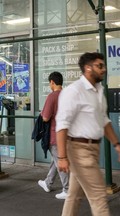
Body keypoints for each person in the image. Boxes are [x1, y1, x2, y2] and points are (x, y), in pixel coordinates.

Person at [56, 52, 120, 216]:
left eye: (103, 65)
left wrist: (117, 144)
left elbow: (104, 120)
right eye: (99, 66)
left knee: (74, 196)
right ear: (88, 68)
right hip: (79, 150)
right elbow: (62, 125)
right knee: (99, 197)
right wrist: (61, 157)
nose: (104, 69)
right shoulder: (74, 91)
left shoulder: (98, 91)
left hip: (93, 150)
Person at [38, 71, 69, 200]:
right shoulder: (67, 95)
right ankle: (48, 182)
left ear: (52, 82)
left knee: (60, 161)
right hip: (67, 134)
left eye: (49, 83)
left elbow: (45, 117)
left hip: (55, 135)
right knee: (56, 160)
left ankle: (67, 189)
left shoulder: (52, 96)